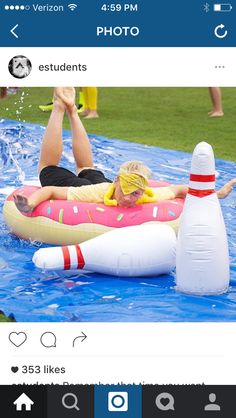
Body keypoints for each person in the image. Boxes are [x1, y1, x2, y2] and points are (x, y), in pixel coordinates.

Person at [13, 87, 236, 214]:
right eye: (128, 190)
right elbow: (50, 191)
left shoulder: (145, 194)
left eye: (136, 193)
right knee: (48, 168)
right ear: (118, 182)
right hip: (90, 188)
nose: (130, 199)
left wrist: (214, 195)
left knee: (87, 168)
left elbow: (178, 189)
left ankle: (71, 109)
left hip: (104, 183)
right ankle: (61, 108)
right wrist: (30, 204)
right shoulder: (94, 194)